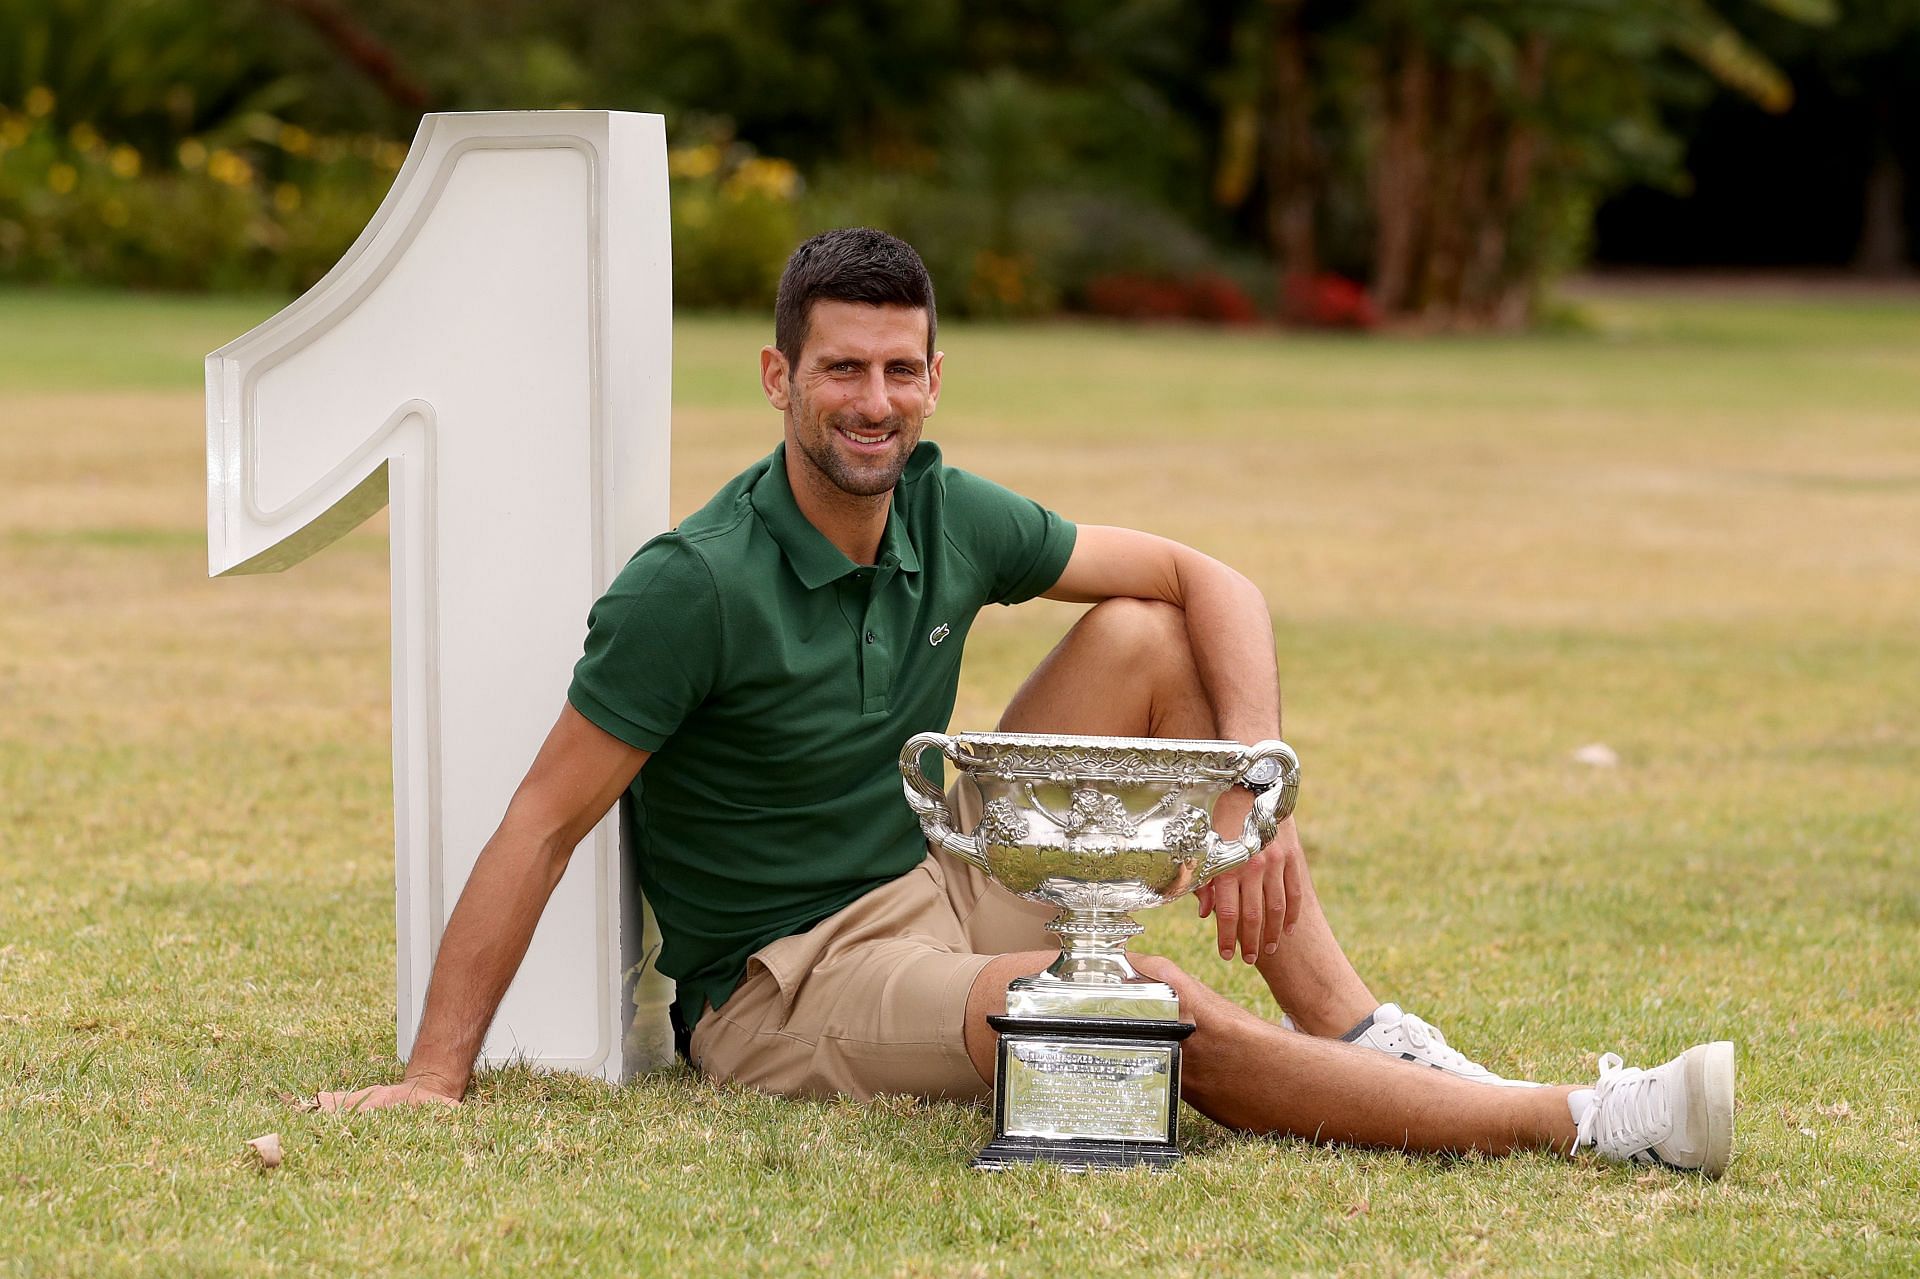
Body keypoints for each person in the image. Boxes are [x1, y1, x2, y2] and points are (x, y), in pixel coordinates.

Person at [320, 228, 1736, 1177]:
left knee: (1146, 634)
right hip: (791, 982)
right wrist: (438, 1074)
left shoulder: (944, 505)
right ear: (779, 380)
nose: (871, 403)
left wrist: (1259, 786)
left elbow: (1206, 576)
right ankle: (1588, 1120)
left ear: (934, 377)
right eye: (839, 372)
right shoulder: (691, 588)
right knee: (1134, 1004)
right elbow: (540, 821)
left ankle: (1363, 1033)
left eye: (897, 371)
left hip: (937, 871)